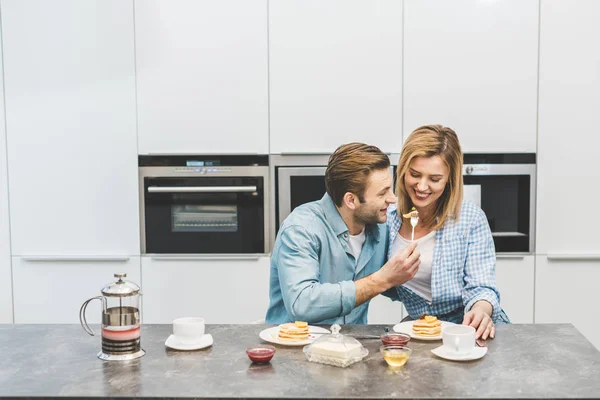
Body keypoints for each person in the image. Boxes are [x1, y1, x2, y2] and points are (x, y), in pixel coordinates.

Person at [265, 143, 421, 324]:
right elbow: (302, 304)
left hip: (353, 348)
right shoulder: (301, 229)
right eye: (382, 193)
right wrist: (380, 280)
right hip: (298, 348)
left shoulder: (381, 227)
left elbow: (395, 283)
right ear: (351, 200)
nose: (392, 199)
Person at [387, 125, 509, 340]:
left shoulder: (470, 218)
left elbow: (482, 286)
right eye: (415, 174)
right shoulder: (387, 220)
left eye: (434, 179)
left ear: (449, 180)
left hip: (470, 330)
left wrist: (481, 310)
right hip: (422, 331)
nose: (422, 186)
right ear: (403, 169)